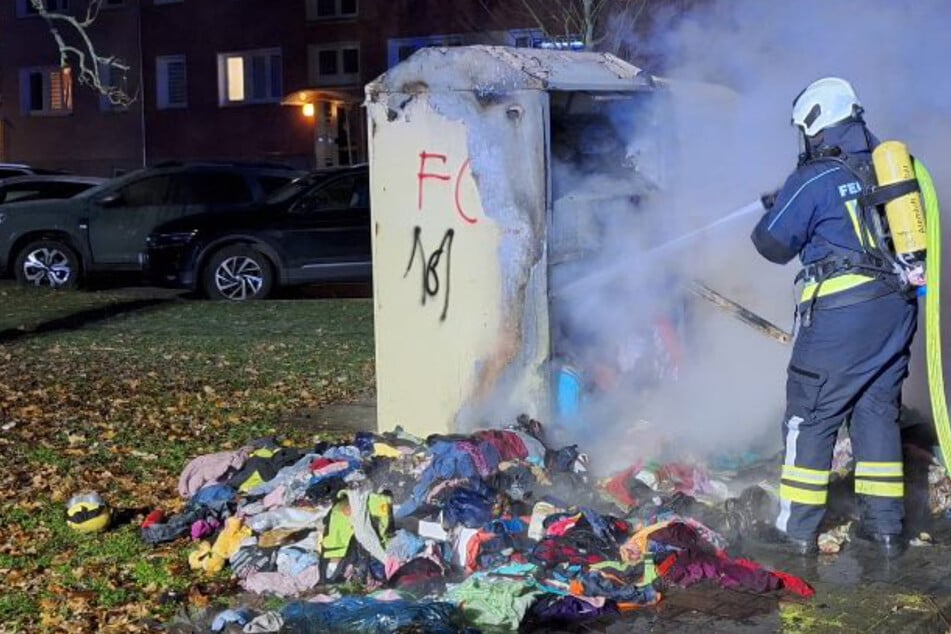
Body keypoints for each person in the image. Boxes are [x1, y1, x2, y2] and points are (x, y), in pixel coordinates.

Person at [751, 77, 926, 557]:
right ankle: (885, 529)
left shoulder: (814, 176)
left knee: (809, 416)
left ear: (816, 124)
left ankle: (795, 531)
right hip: (895, 309)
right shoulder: (889, 168)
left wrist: (778, 208)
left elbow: (770, 245)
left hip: (842, 315)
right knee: (875, 414)